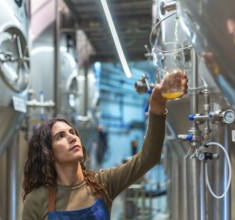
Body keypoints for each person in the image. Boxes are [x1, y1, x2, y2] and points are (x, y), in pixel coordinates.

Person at [21, 70, 188, 220]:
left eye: (72, 132)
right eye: (60, 136)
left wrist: (157, 103)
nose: (72, 138)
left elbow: (149, 157)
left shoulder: (101, 183)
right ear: (48, 152)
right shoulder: (37, 200)